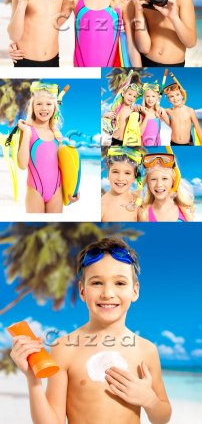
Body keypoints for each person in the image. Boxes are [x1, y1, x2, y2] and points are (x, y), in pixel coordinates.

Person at [10, 237, 172, 424]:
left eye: (120, 283)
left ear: (135, 291)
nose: (107, 293)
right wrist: (33, 379)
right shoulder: (64, 348)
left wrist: (149, 400)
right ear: (82, 291)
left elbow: (162, 417)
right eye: (97, 283)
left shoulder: (146, 350)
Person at [17, 81, 79, 213]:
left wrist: (73, 187)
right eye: (39, 104)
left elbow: (65, 165)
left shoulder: (57, 134)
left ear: (54, 108)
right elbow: (22, 165)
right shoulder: (27, 130)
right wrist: (27, 133)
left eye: (48, 104)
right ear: (32, 107)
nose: (44, 108)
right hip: (35, 190)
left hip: (56, 190)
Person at [138, 152, 194, 222]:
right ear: (148, 182)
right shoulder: (143, 213)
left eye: (164, 178)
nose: (159, 184)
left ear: (173, 181)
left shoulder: (185, 211)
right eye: (153, 179)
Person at [101, 147, 144, 222]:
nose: (120, 178)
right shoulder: (102, 206)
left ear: (135, 177)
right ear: (108, 174)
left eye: (127, 173)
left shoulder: (138, 201)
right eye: (115, 172)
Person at [102, 72, 142, 147]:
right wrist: (105, 115)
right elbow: (103, 122)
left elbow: (138, 128)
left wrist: (139, 115)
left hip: (124, 142)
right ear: (123, 94)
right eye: (130, 94)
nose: (131, 97)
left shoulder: (134, 111)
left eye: (134, 96)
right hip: (112, 139)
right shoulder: (116, 108)